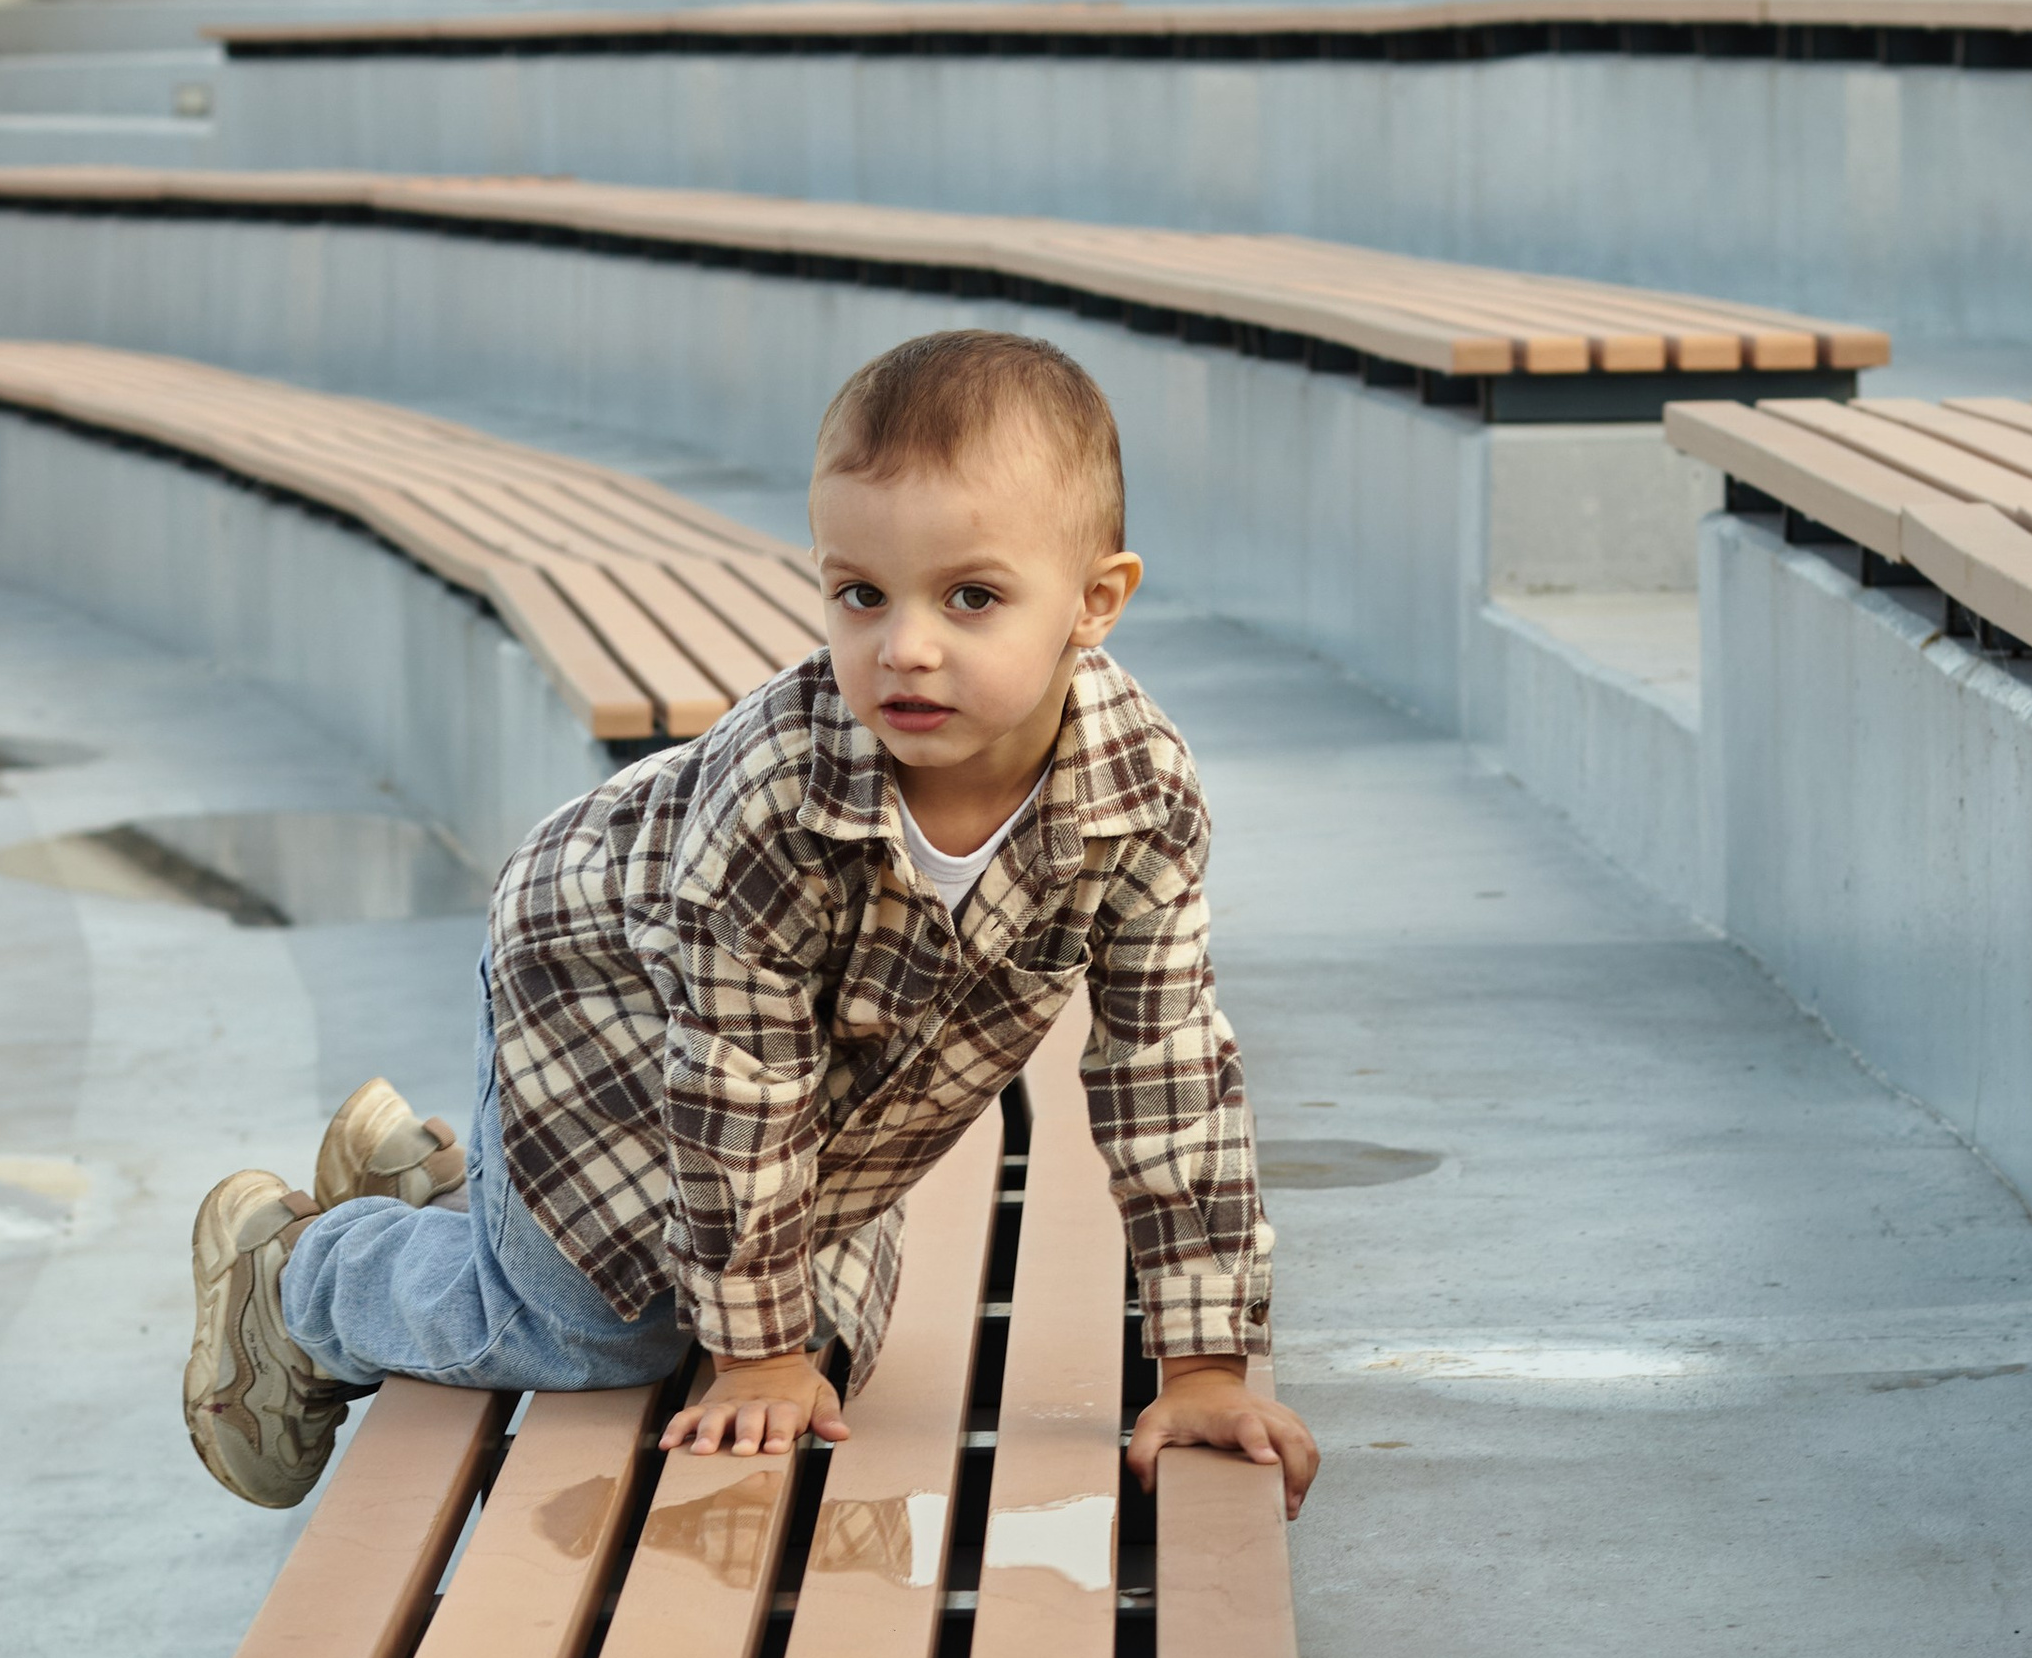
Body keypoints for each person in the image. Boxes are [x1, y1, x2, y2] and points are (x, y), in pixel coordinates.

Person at [183, 323, 1319, 1524]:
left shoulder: (1139, 794)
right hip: (599, 994)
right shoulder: (775, 800)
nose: (906, 648)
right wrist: (756, 1355)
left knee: (830, 1339)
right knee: (603, 1338)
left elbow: (1165, 1066)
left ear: (1096, 603)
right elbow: (738, 1081)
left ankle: (456, 1204)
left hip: (826, 1082)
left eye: (972, 598)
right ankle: (302, 1273)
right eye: (860, 595)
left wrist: (1203, 1364)